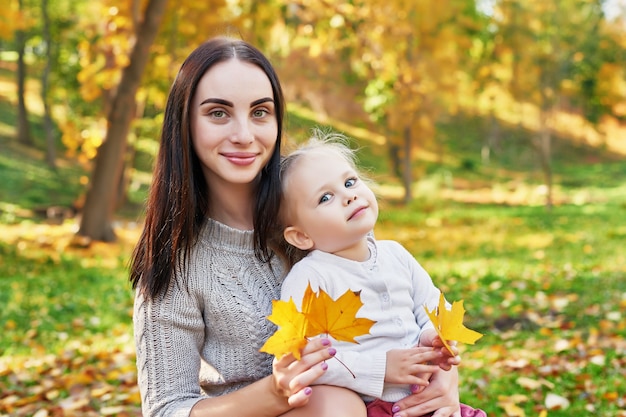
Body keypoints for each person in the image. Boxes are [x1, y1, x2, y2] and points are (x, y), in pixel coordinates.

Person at [129, 36, 462, 417]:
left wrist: (443, 378)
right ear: (184, 124)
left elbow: (399, 307)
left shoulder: (314, 202)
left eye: (259, 112)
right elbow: (165, 409)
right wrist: (273, 393)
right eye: (218, 113)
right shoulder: (177, 265)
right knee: (333, 403)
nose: (243, 134)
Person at [275, 131, 487, 417]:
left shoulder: (396, 254)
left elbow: (433, 305)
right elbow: (301, 358)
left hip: (430, 400)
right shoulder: (312, 277)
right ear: (301, 236)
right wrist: (381, 368)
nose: (349, 196)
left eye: (350, 182)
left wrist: (432, 337)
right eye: (326, 197)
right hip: (376, 407)